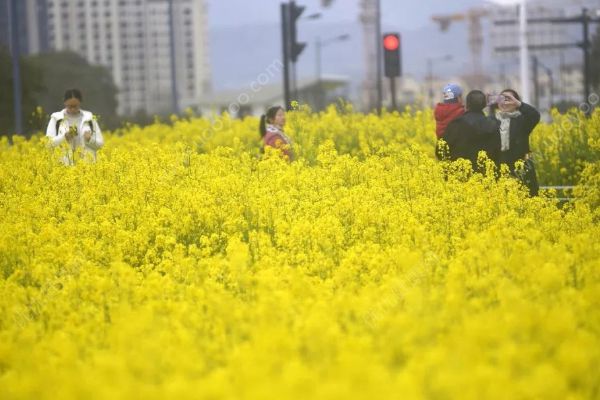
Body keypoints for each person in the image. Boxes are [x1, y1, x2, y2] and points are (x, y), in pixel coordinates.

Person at [489, 89, 541, 196]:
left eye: (509, 99)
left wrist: (519, 103)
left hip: (521, 170)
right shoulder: (491, 121)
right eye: (502, 99)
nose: (505, 102)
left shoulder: (522, 120)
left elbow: (535, 115)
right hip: (498, 171)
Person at [442, 90, 500, 170]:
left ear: (466, 105)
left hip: (458, 175)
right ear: (484, 105)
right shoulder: (493, 125)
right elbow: (498, 151)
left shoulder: (455, 124)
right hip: (486, 175)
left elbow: (441, 151)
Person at [46, 89, 104, 165]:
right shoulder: (56, 119)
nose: (73, 109)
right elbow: (48, 144)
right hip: (63, 166)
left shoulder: (89, 118)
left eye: (75, 106)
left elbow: (100, 145)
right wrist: (64, 137)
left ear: (80, 102)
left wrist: (90, 139)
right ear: (65, 103)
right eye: (69, 106)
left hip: (86, 167)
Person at [434, 83, 465, 159]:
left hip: (442, 151)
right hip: (457, 153)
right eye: (461, 96)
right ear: (458, 98)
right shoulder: (461, 112)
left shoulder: (438, 111)